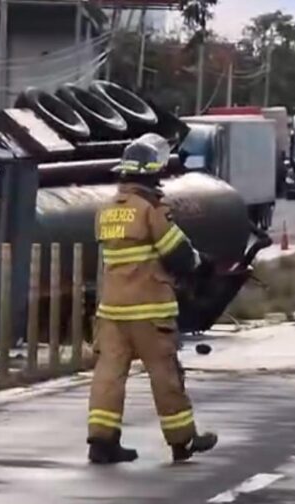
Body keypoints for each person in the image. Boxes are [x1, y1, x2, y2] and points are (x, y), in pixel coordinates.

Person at [87, 133, 219, 465]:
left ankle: (102, 443)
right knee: (165, 374)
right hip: (150, 312)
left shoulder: (105, 212)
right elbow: (178, 254)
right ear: (149, 174)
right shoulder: (152, 211)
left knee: (109, 375)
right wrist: (203, 264)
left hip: (111, 311)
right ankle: (182, 441)